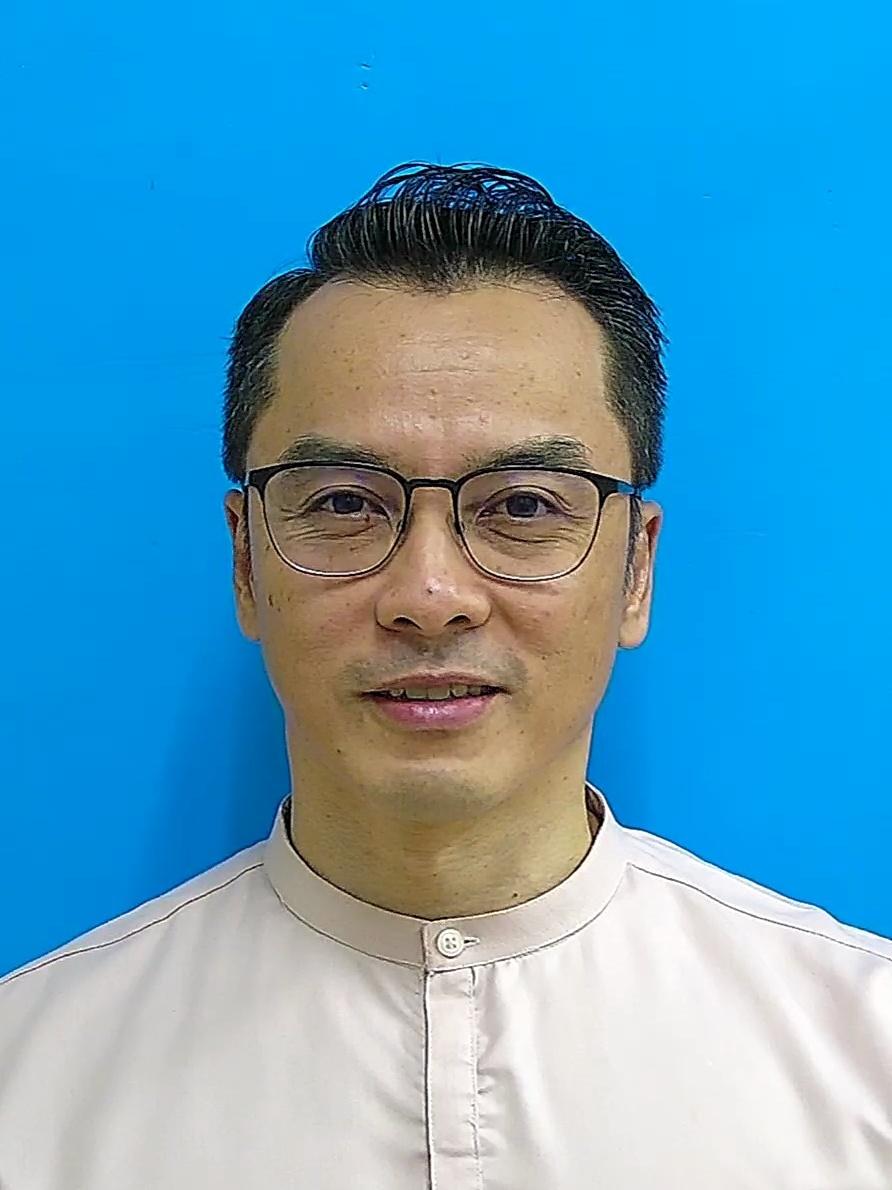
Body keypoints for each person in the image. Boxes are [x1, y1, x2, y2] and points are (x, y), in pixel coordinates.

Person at [1, 161, 889, 1189]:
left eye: (523, 506)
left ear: (636, 570)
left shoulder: (860, 1058)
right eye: (343, 503)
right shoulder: (33, 1082)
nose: (429, 594)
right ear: (245, 561)